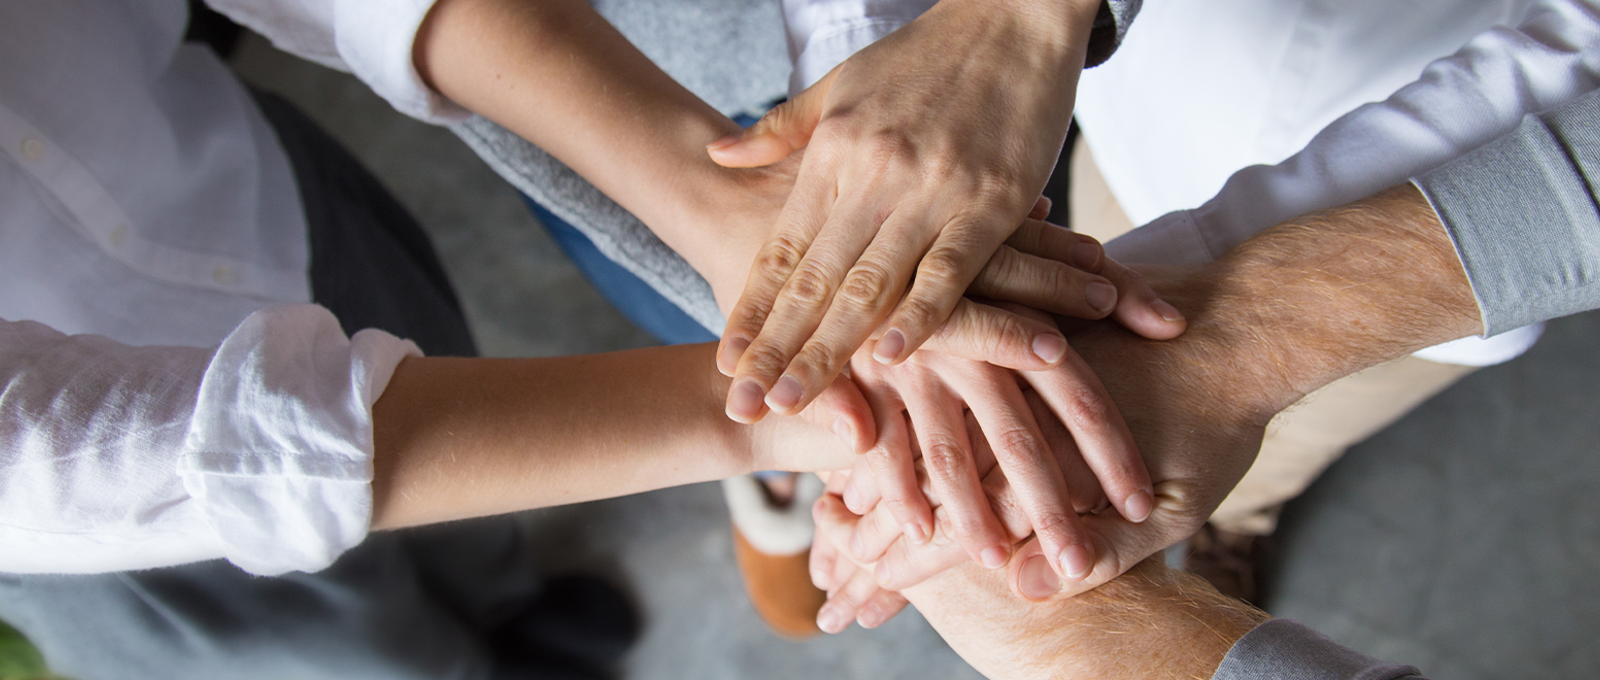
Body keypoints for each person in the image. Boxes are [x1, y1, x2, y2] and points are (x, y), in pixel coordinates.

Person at [0, 0, 1173, 673]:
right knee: (322, 663)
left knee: (437, 388)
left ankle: (511, 595)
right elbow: (81, 460)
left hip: (228, 186)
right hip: (109, 527)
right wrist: (813, 408)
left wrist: (718, 210)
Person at [813, 81, 1600, 677]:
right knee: (1074, 375)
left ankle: (1240, 517)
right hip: (1155, 116)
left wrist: (1252, 338)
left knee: (1277, 433)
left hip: (1475, 227)